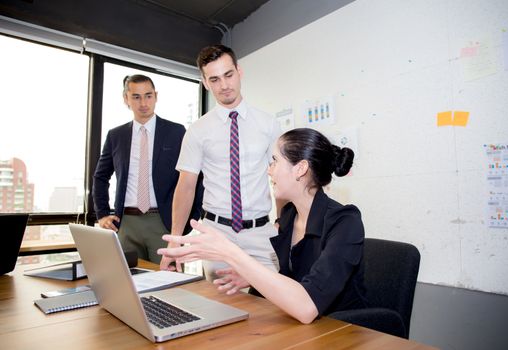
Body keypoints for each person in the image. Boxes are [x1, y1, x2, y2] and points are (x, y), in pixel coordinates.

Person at [158, 128, 368, 324]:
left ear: (300, 169)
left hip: (342, 329)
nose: (269, 171)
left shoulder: (345, 221)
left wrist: (231, 253)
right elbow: (295, 279)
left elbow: (307, 307)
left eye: (275, 161)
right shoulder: (289, 215)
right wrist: (252, 278)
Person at [159, 44, 283, 282]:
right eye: (214, 79)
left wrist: (282, 224)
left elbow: (280, 179)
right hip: (217, 233)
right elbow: (185, 187)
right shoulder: (197, 131)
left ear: (239, 71)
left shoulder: (268, 124)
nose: (224, 85)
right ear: (205, 83)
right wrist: (175, 240)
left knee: (275, 307)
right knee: (222, 307)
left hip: (261, 233)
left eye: (228, 75)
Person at [92, 74, 203, 264]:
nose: (143, 102)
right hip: (125, 223)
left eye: (148, 95)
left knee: (170, 285)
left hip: (163, 222)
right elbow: (100, 177)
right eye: (136, 96)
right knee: (127, 284)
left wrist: (185, 224)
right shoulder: (115, 136)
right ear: (126, 99)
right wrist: (102, 214)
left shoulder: (176, 132)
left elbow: (195, 179)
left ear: (156, 96)